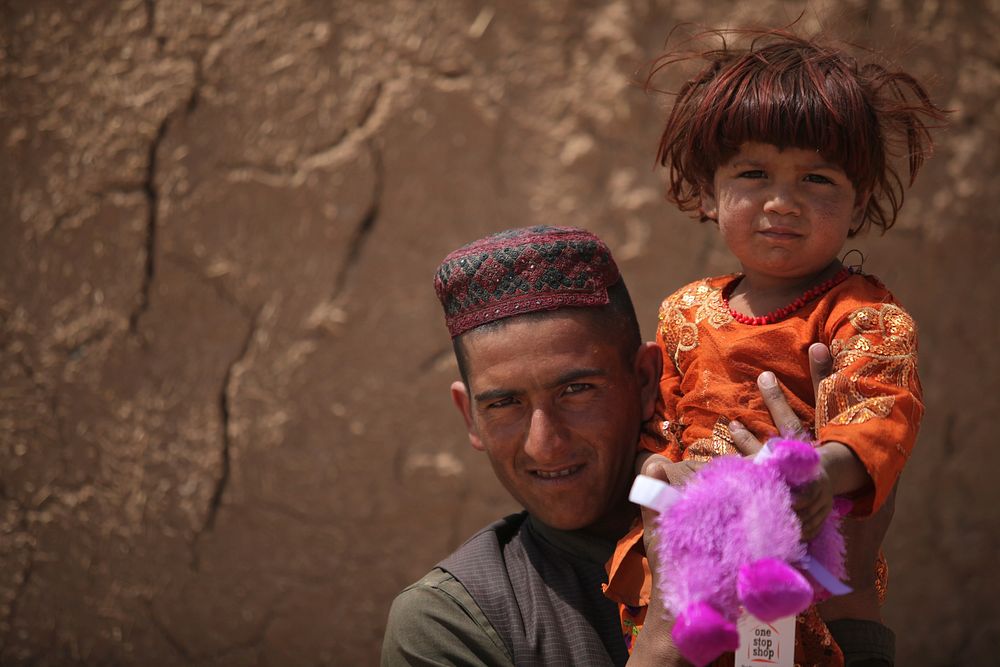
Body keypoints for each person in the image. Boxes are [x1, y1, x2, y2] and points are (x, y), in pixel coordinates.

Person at [604, 28, 946, 666]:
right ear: (708, 191)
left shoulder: (867, 316)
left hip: (801, 584)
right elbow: (662, 425)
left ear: (859, 200)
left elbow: (880, 417)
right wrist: (656, 473)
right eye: (753, 173)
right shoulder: (684, 311)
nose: (782, 202)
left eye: (817, 178)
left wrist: (818, 471)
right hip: (687, 572)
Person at [381, 225, 839, 666]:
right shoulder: (451, 622)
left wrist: (847, 561)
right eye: (504, 403)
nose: (545, 445)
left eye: (576, 391)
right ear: (470, 416)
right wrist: (668, 633)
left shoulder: (785, 528)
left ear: (644, 380)